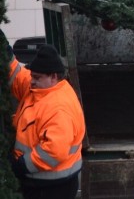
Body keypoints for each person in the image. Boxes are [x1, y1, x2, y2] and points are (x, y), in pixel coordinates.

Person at [7, 44, 86, 199]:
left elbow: (53, 152)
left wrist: (21, 165)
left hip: (52, 187)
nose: (32, 81)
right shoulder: (42, 89)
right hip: (42, 182)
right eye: (32, 75)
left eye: (37, 77)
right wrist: (6, 55)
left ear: (53, 76)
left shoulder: (59, 108)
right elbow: (17, 76)